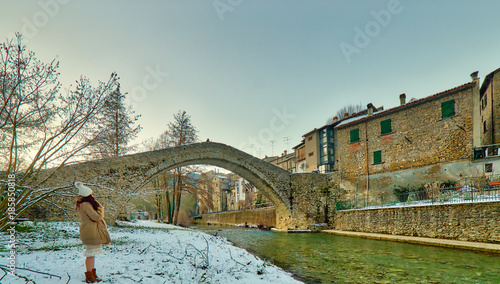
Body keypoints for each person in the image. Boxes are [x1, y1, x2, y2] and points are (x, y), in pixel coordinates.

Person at [75, 181, 111, 283]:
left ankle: (92, 274)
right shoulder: (85, 205)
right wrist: (100, 210)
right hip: (90, 232)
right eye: (91, 194)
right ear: (88, 196)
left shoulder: (82, 204)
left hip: (89, 231)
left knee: (92, 254)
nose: (93, 196)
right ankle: (89, 276)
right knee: (90, 254)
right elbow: (96, 217)